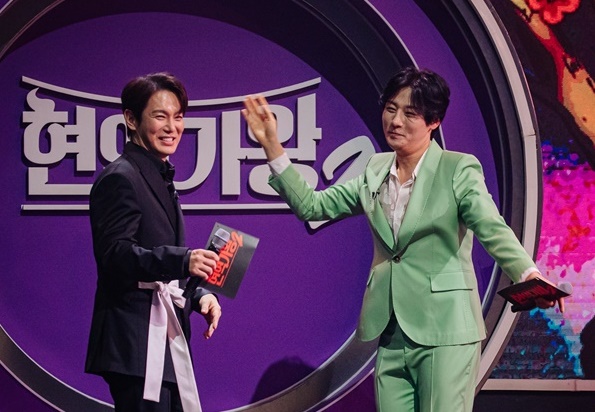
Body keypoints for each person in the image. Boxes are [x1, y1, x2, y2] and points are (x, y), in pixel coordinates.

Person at [241, 66, 564, 412]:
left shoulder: (457, 169)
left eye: (410, 113)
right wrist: (272, 146)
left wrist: (527, 273)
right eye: (391, 109)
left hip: (445, 331)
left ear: (434, 121)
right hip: (391, 331)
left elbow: (491, 226)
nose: (395, 121)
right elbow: (313, 207)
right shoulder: (374, 170)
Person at [85, 72, 221, 412]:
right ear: (131, 119)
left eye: (178, 117)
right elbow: (115, 254)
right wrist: (182, 260)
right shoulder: (120, 177)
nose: (172, 127)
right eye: (160, 116)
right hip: (135, 343)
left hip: (161, 342)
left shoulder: (159, 175)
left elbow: (160, 267)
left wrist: (198, 295)